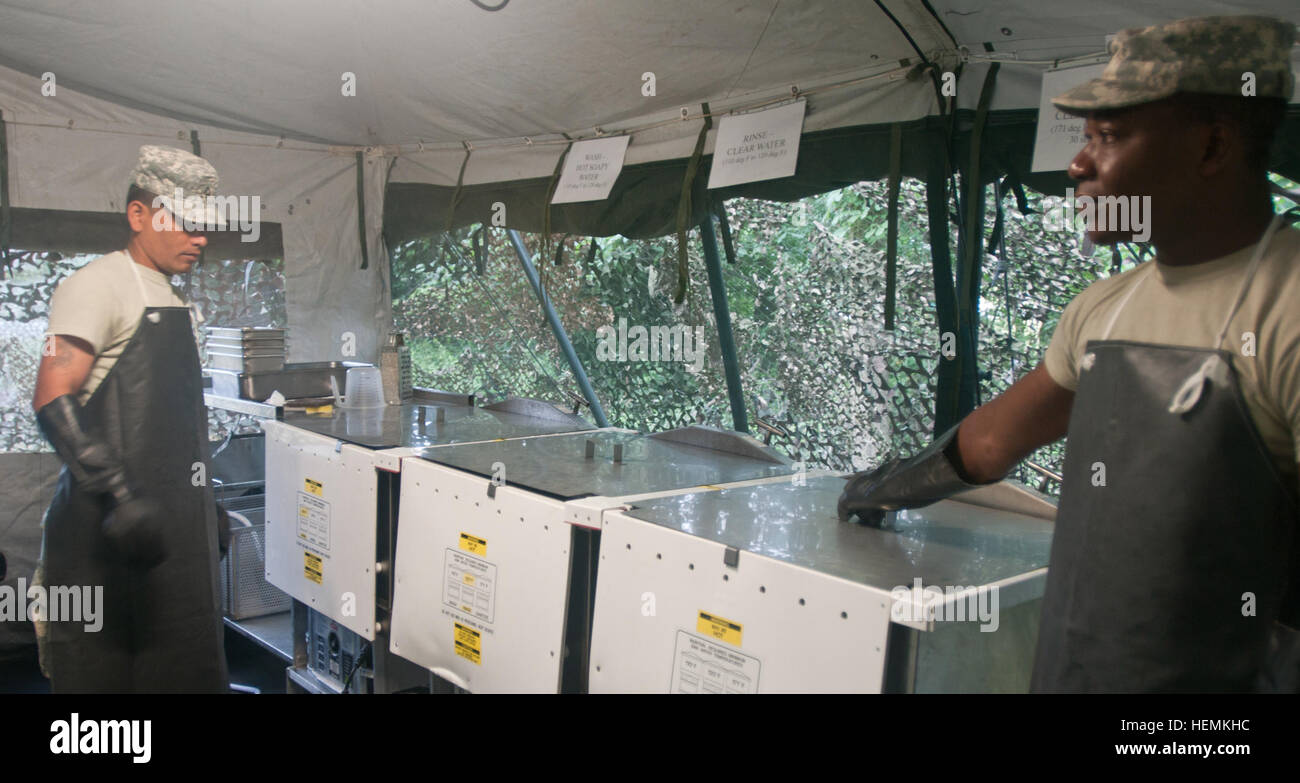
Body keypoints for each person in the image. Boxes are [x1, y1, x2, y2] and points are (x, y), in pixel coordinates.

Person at [839, 15, 1300, 692]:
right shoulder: (1104, 308)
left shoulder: (1283, 306)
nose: (1077, 165)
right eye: (1084, 139)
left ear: (1213, 145)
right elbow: (991, 443)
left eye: (1108, 137)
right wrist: (878, 490)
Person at [31, 145, 230, 693]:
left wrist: (202, 503)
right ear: (138, 215)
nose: (201, 238)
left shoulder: (172, 299)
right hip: (107, 545)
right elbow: (52, 396)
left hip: (171, 544)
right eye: (186, 224)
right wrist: (121, 494)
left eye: (205, 227)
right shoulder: (95, 285)